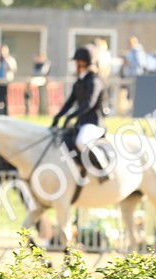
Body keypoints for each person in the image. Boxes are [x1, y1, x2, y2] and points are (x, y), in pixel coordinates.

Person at [51, 47, 110, 181]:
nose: (74, 65)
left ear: (82, 63)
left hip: (94, 123)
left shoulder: (95, 81)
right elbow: (69, 102)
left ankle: (104, 168)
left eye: (76, 61)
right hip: (81, 123)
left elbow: (88, 104)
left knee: (81, 141)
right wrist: (58, 116)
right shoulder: (80, 81)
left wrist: (71, 117)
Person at [0, 44, 16, 115]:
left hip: (6, 81)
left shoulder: (10, 59)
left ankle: (6, 113)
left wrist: (6, 60)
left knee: (5, 98)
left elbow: (13, 68)